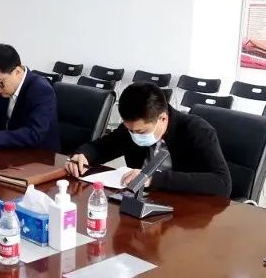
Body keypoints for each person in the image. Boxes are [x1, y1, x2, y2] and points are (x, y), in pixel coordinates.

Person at [66, 82, 231, 197]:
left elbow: (222, 183)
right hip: (141, 202)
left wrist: (152, 178)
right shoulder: (132, 128)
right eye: (130, 130)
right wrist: (83, 154)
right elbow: (103, 146)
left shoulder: (197, 131)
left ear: (163, 118)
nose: (134, 135)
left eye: (140, 131)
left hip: (186, 211)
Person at [0, 44, 59, 151]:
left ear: (17, 71)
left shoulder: (41, 90)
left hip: (38, 155)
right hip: (6, 151)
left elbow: (33, 134)